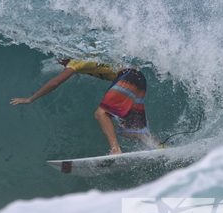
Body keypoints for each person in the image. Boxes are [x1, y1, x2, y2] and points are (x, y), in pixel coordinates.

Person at [10, 59, 161, 154]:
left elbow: (55, 82)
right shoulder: (90, 56)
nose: (60, 62)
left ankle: (115, 150)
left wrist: (31, 98)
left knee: (100, 114)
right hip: (139, 78)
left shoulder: (75, 62)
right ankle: (159, 148)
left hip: (128, 77)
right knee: (132, 130)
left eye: (61, 58)